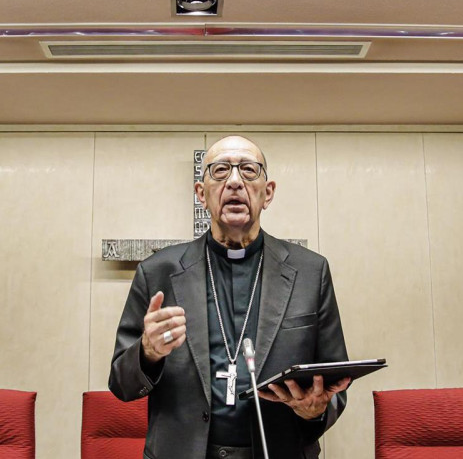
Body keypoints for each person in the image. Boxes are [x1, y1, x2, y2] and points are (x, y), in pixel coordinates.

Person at [110, 136, 349, 459]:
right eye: (220, 171)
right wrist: (148, 353)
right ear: (201, 194)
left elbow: (335, 383)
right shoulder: (157, 272)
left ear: (268, 193)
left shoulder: (311, 271)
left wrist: (315, 411)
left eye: (249, 171)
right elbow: (121, 384)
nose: (235, 182)